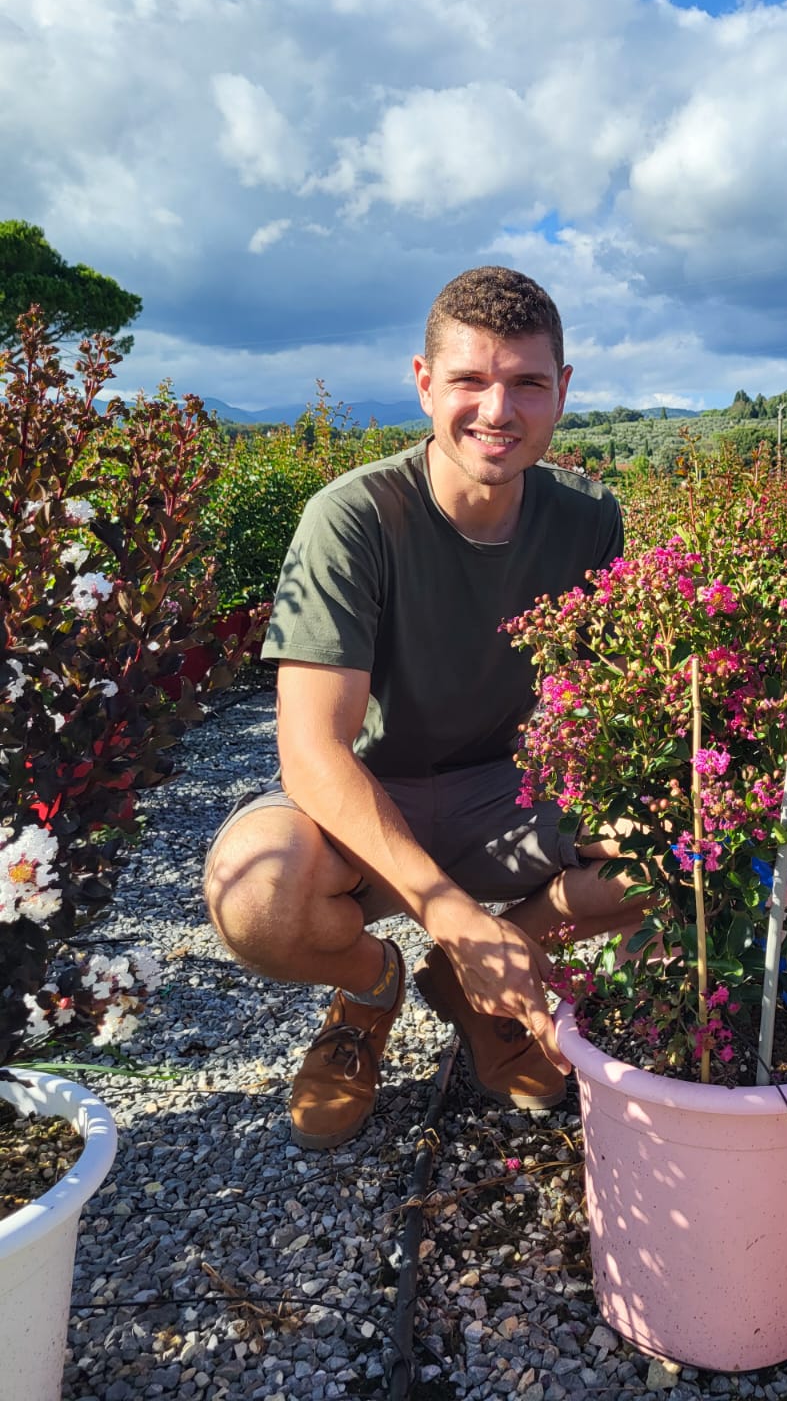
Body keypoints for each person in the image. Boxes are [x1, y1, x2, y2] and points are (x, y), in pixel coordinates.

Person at [204, 266, 641, 1149]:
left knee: (700, 849)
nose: (499, 410)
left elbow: (597, 707)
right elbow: (314, 753)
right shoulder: (354, 518)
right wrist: (444, 907)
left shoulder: (589, 519)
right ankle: (371, 990)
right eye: (470, 380)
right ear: (423, 383)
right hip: (368, 796)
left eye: (525, 382)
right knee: (255, 896)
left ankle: (470, 982)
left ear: (563, 391)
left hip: (507, 796)